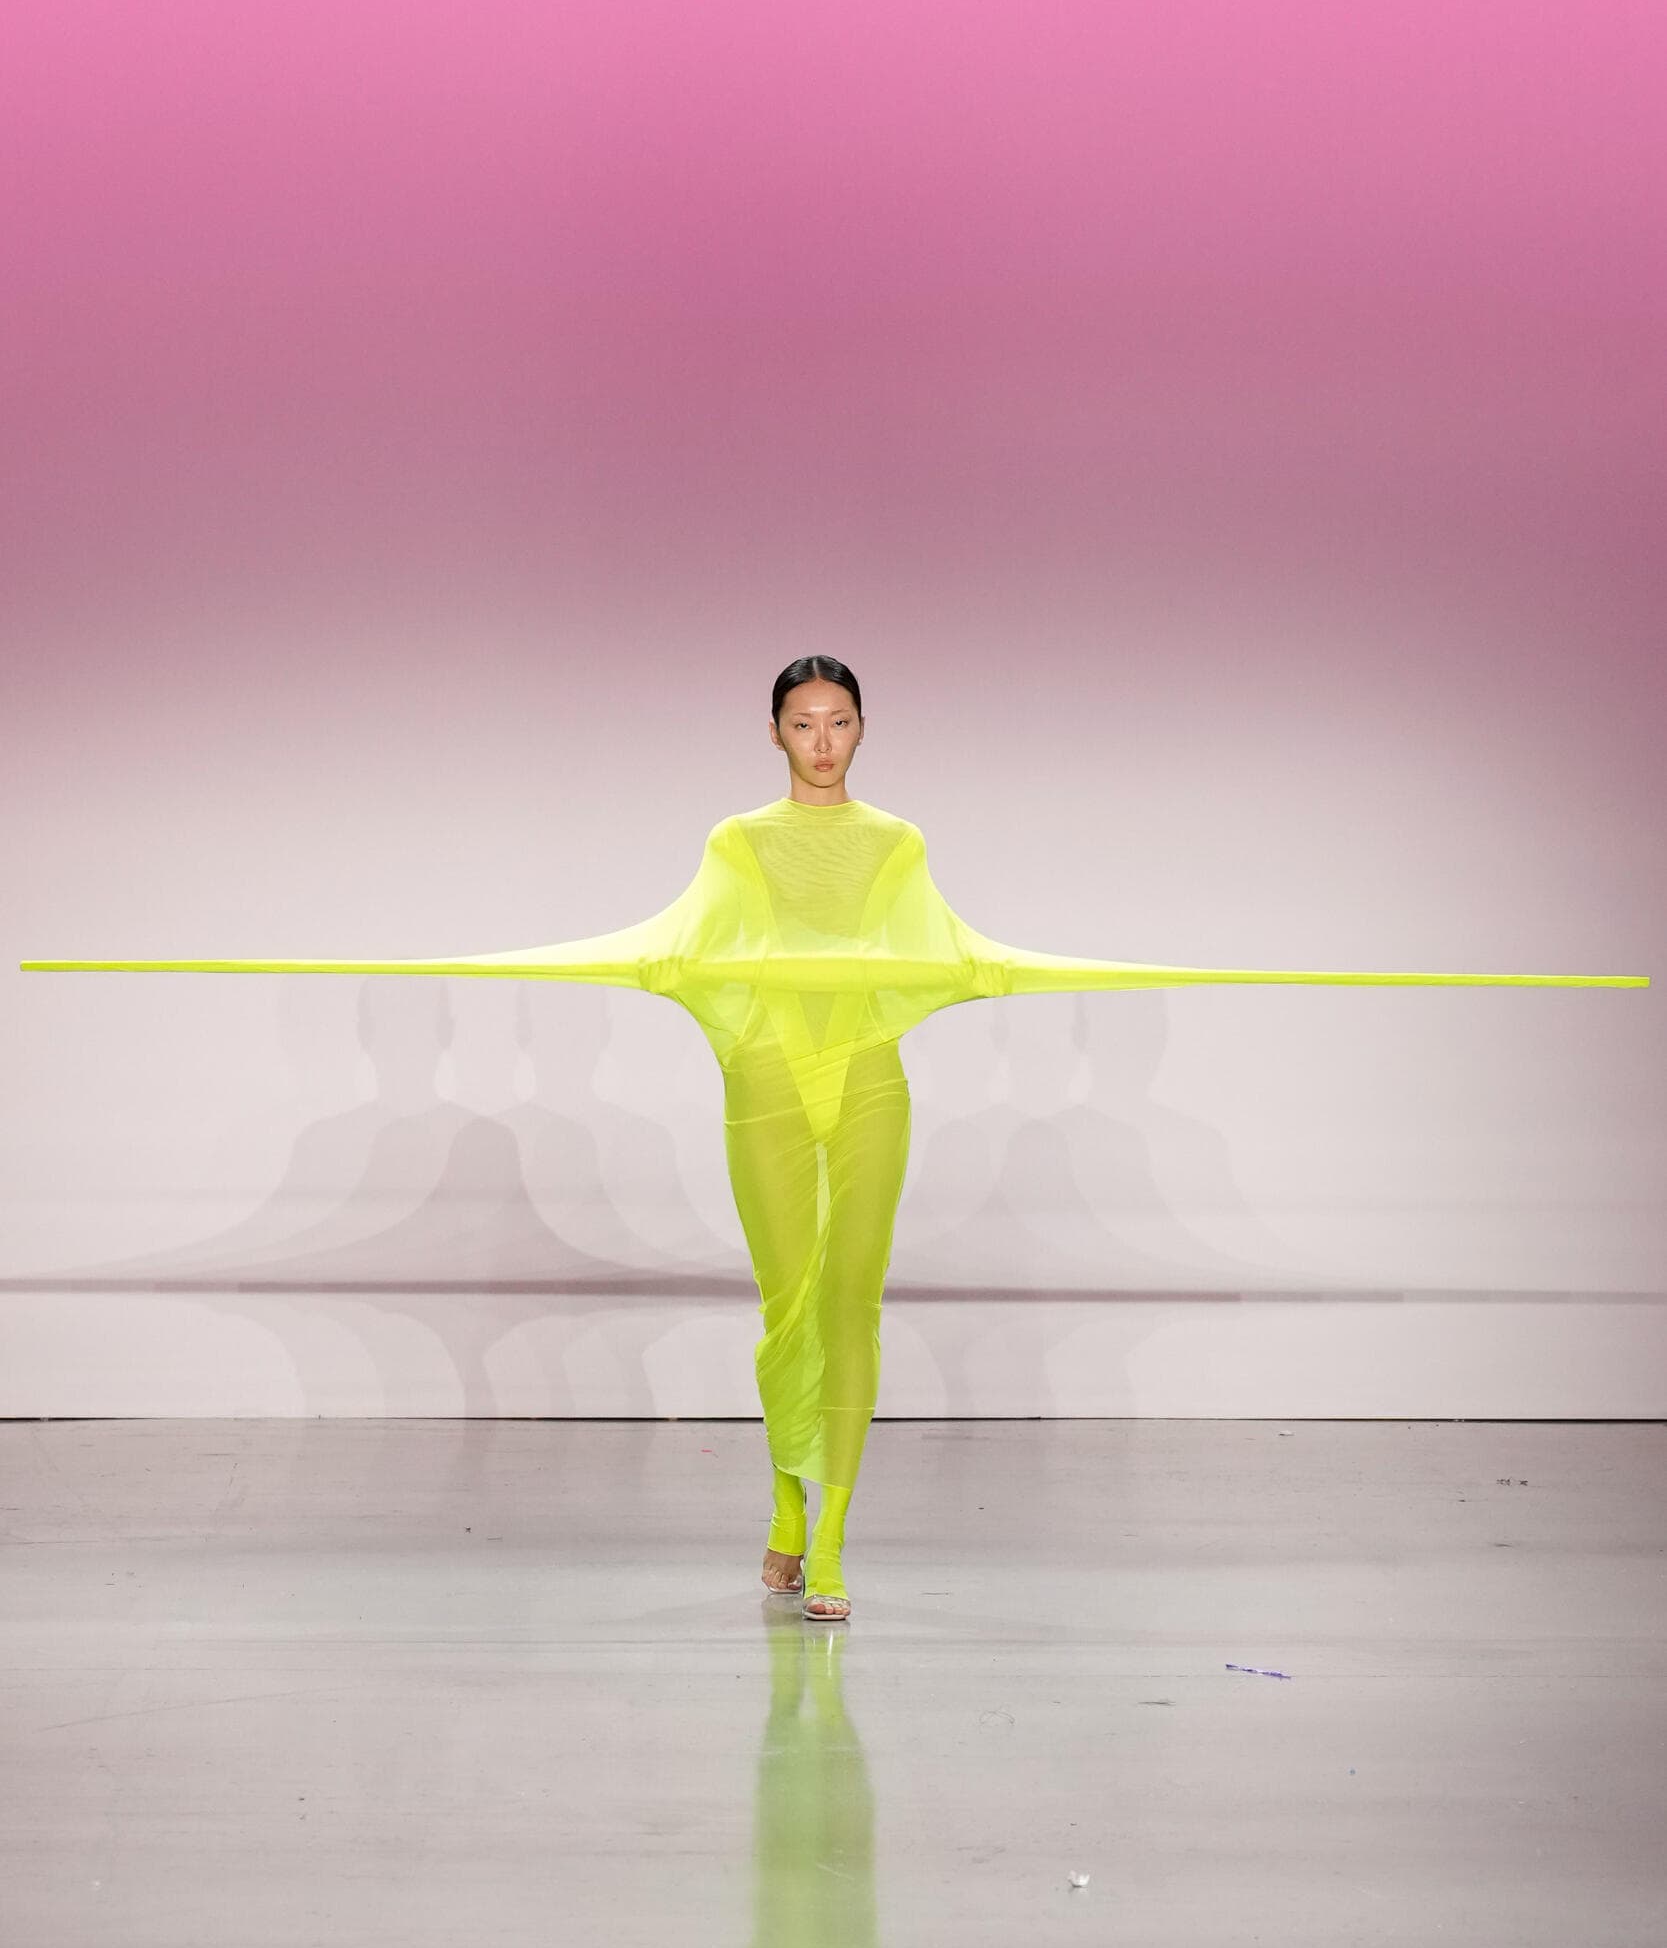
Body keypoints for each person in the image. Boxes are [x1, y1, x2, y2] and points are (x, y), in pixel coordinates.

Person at [20, 661, 1647, 1624]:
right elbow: (689, 944)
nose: (824, 738)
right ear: (774, 732)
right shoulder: (736, 842)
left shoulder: (899, 841)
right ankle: (787, 1506)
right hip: (759, 1086)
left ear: (863, 731)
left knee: (852, 1303)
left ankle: (831, 1535)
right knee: (784, 1300)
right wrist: (667, 972)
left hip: (866, 1086)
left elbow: (941, 952)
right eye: (803, 719)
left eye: (841, 718)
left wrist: (983, 973)